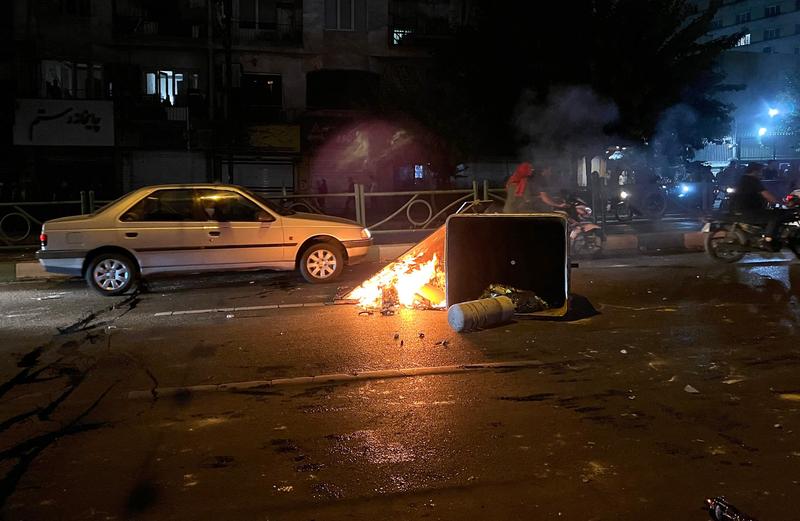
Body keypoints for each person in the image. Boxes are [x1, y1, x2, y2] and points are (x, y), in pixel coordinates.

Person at [731, 162, 786, 250]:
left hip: (738, 209)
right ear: (755, 171)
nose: (761, 174)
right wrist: (782, 202)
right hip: (749, 210)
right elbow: (766, 195)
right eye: (760, 171)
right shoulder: (753, 180)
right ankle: (767, 240)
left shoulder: (742, 179)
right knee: (775, 216)